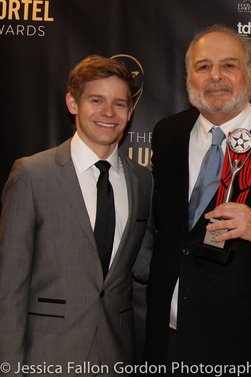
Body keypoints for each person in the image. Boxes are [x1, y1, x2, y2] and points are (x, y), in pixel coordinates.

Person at [143, 25, 251, 376]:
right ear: (188, 77)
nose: (215, 77)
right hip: (166, 340)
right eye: (202, 66)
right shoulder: (168, 133)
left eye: (229, 65)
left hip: (242, 346)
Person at [0, 56, 153, 376]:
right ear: (73, 103)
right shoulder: (32, 174)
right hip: (46, 357)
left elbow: (141, 263)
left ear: (130, 112)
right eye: (97, 100)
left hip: (116, 356)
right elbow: (9, 286)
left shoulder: (142, 181)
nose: (109, 113)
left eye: (119, 103)